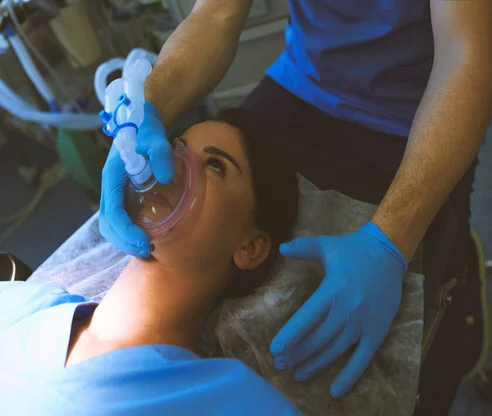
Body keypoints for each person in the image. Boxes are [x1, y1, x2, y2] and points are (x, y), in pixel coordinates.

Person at [100, 0, 492, 414]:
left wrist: (388, 243)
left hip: (414, 112)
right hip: (300, 86)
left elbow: (467, 56)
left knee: (404, 324)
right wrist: (148, 109)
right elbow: (214, 18)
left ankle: (455, 289)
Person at [0, 110, 301, 416]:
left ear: (249, 247)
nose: (173, 166)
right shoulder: (27, 303)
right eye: (175, 146)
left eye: (214, 165)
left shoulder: (229, 399)